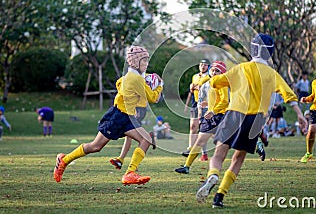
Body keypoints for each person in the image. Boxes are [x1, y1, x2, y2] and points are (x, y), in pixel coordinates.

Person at [195, 34, 307, 208]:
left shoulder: (240, 68)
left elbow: (216, 82)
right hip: (255, 120)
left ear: (253, 49)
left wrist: (213, 80)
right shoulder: (272, 74)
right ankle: (219, 196)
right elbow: (288, 95)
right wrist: (299, 115)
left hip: (234, 114)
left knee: (218, 154)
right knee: (238, 159)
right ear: (269, 53)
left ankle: (214, 174)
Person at [53, 45, 163, 185]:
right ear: (135, 62)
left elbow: (124, 82)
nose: (147, 64)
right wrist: (160, 85)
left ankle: (130, 173)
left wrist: (151, 78)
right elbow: (153, 98)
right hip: (117, 117)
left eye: (147, 60)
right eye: (144, 61)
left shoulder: (133, 76)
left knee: (145, 140)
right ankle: (64, 160)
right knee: (95, 147)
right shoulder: (135, 79)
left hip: (127, 117)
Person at [175, 61, 228, 174]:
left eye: (217, 70)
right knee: (199, 142)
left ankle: (256, 143)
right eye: (213, 70)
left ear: (222, 72)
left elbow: (225, 102)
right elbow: (214, 100)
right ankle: (186, 166)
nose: (214, 72)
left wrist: (213, 111)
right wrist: (207, 104)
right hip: (210, 117)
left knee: (228, 142)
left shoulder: (222, 84)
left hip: (221, 117)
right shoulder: (209, 83)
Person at [182, 59, 211, 160]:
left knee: (204, 130)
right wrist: (191, 87)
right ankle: (190, 148)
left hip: (205, 104)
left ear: (208, 66)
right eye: (201, 64)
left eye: (205, 65)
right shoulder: (194, 76)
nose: (203, 66)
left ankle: (204, 154)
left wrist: (201, 88)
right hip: (195, 103)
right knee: (193, 127)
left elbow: (211, 89)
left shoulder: (210, 76)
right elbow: (192, 90)